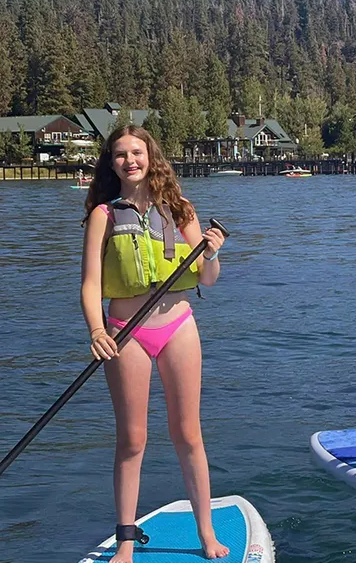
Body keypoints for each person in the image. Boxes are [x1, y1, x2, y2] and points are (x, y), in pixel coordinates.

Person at [81, 125, 229, 563]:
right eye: (121, 154)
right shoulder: (103, 216)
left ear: (151, 157)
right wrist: (96, 330)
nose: (130, 160)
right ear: (112, 164)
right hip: (125, 333)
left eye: (137, 152)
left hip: (178, 325)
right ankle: (126, 541)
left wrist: (213, 252)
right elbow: (90, 285)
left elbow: (207, 277)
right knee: (132, 440)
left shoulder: (180, 210)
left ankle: (206, 531)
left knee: (188, 434)